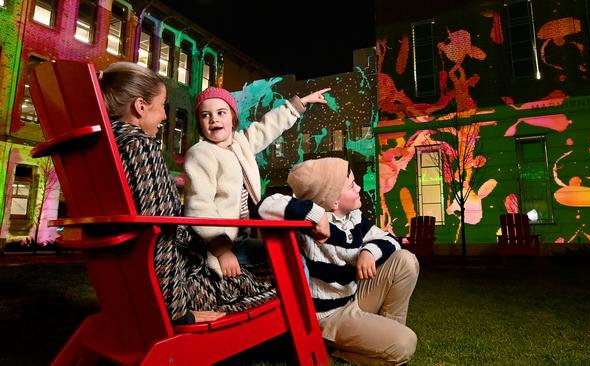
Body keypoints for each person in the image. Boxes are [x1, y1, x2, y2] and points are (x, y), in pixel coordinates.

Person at [98, 61, 276, 324]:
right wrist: (179, 312)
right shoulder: (140, 148)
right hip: (177, 291)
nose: (165, 116)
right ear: (140, 106)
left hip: (131, 287)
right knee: (283, 267)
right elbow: (159, 236)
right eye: (162, 106)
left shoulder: (106, 147)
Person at [258, 157, 419, 365]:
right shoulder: (309, 227)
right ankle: (340, 349)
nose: (359, 187)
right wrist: (315, 213)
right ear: (333, 200)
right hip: (328, 317)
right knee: (405, 344)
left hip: (352, 299)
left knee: (405, 260)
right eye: (352, 185)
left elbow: (390, 240)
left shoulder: (354, 218)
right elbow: (264, 205)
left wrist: (369, 251)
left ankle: (385, 333)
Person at [184, 86, 330, 277]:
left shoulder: (240, 143)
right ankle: (302, 304)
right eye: (205, 115)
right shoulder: (201, 153)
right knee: (289, 258)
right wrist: (222, 251)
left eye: (221, 112)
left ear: (233, 117)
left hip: (242, 237)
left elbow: (267, 127)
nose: (214, 119)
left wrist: (300, 103)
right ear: (199, 123)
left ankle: (304, 303)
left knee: (292, 252)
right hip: (218, 242)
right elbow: (199, 206)